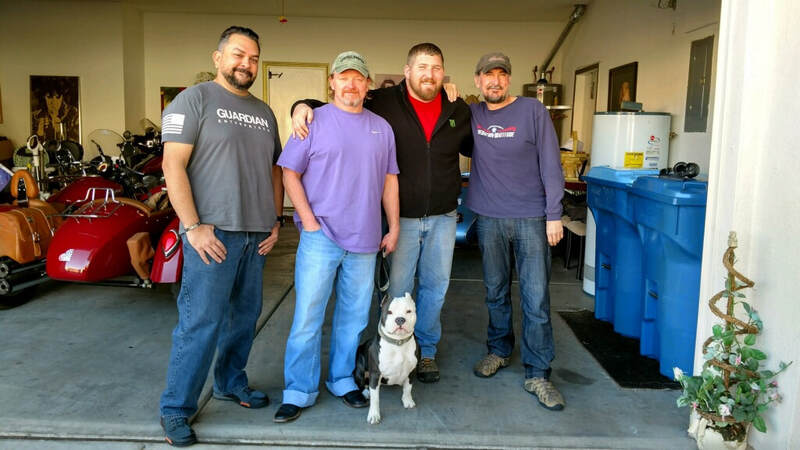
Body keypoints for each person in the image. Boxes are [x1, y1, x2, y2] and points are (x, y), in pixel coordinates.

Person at [291, 43, 473, 383]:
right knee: (396, 291)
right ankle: (389, 350)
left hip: (443, 216)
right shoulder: (386, 101)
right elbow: (344, 100)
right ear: (407, 71)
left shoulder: (457, 108)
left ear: (443, 72)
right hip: (401, 217)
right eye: (422, 67)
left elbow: (478, 145)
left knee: (435, 287)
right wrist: (300, 106)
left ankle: (426, 351)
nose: (429, 74)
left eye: (436, 67)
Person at [158, 26, 284, 446]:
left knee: (243, 318)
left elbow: (274, 169)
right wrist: (193, 227)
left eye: (253, 58)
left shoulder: (264, 112)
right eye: (238, 55)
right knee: (201, 322)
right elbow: (172, 165)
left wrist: (275, 219)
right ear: (218, 58)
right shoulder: (193, 100)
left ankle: (230, 381)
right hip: (212, 234)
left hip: (255, 234)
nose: (246, 64)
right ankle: (176, 408)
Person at [274, 51, 400, 423]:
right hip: (321, 237)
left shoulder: (382, 128)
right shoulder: (312, 121)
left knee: (354, 317)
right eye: (344, 77)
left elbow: (389, 181)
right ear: (332, 82)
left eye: (358, 78)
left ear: (368, 84)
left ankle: (342, 380)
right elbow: (289, 173)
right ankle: (298, 390)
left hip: (365, 239)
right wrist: (308, 221)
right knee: (307, 317)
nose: (351, 84)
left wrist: (393, 226)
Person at [466, 52, 566, 411]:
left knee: (535, 298)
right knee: (495, 292)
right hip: (489, 218)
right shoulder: (471, 113)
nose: (495, 81)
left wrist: (554, 214)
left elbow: (551, 163)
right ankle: (499, 350)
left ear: (508, 79)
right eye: (488, 75)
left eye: (501, 75)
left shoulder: (532, 111)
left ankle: (538, 372)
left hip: (531, 218)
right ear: (477, 80)